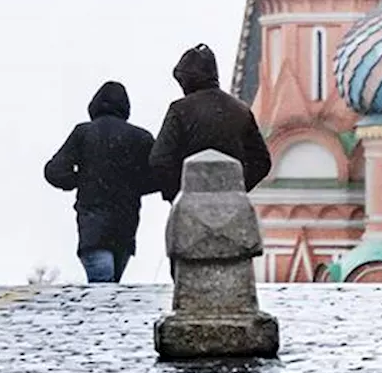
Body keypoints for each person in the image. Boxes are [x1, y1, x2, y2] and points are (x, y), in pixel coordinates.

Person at [44, 81, 156, 283]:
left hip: (92, 224)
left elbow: (54, 171)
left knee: (102, 286)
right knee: (112, 286)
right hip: (125, 223)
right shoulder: (141, 137)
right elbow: (159, 175)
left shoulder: (83, 133)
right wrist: (132, 186)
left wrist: (82, 180)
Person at [150, 44, 272, 201]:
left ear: (186, 79)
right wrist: (237, 187)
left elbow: (160, 159)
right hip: (231, 205)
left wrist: (179, 193)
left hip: (191, 205)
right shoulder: (240, 111)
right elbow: (261, 161)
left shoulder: (180, 109)